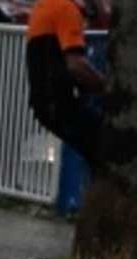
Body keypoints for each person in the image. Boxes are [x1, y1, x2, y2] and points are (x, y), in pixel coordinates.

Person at [26, 0, 107, 169]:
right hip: (59, 103)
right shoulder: (66, 10)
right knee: (108, 150)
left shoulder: (46, 5)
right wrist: (106, 87)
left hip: (46, 103)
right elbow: (75, 65)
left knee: (97, 155)